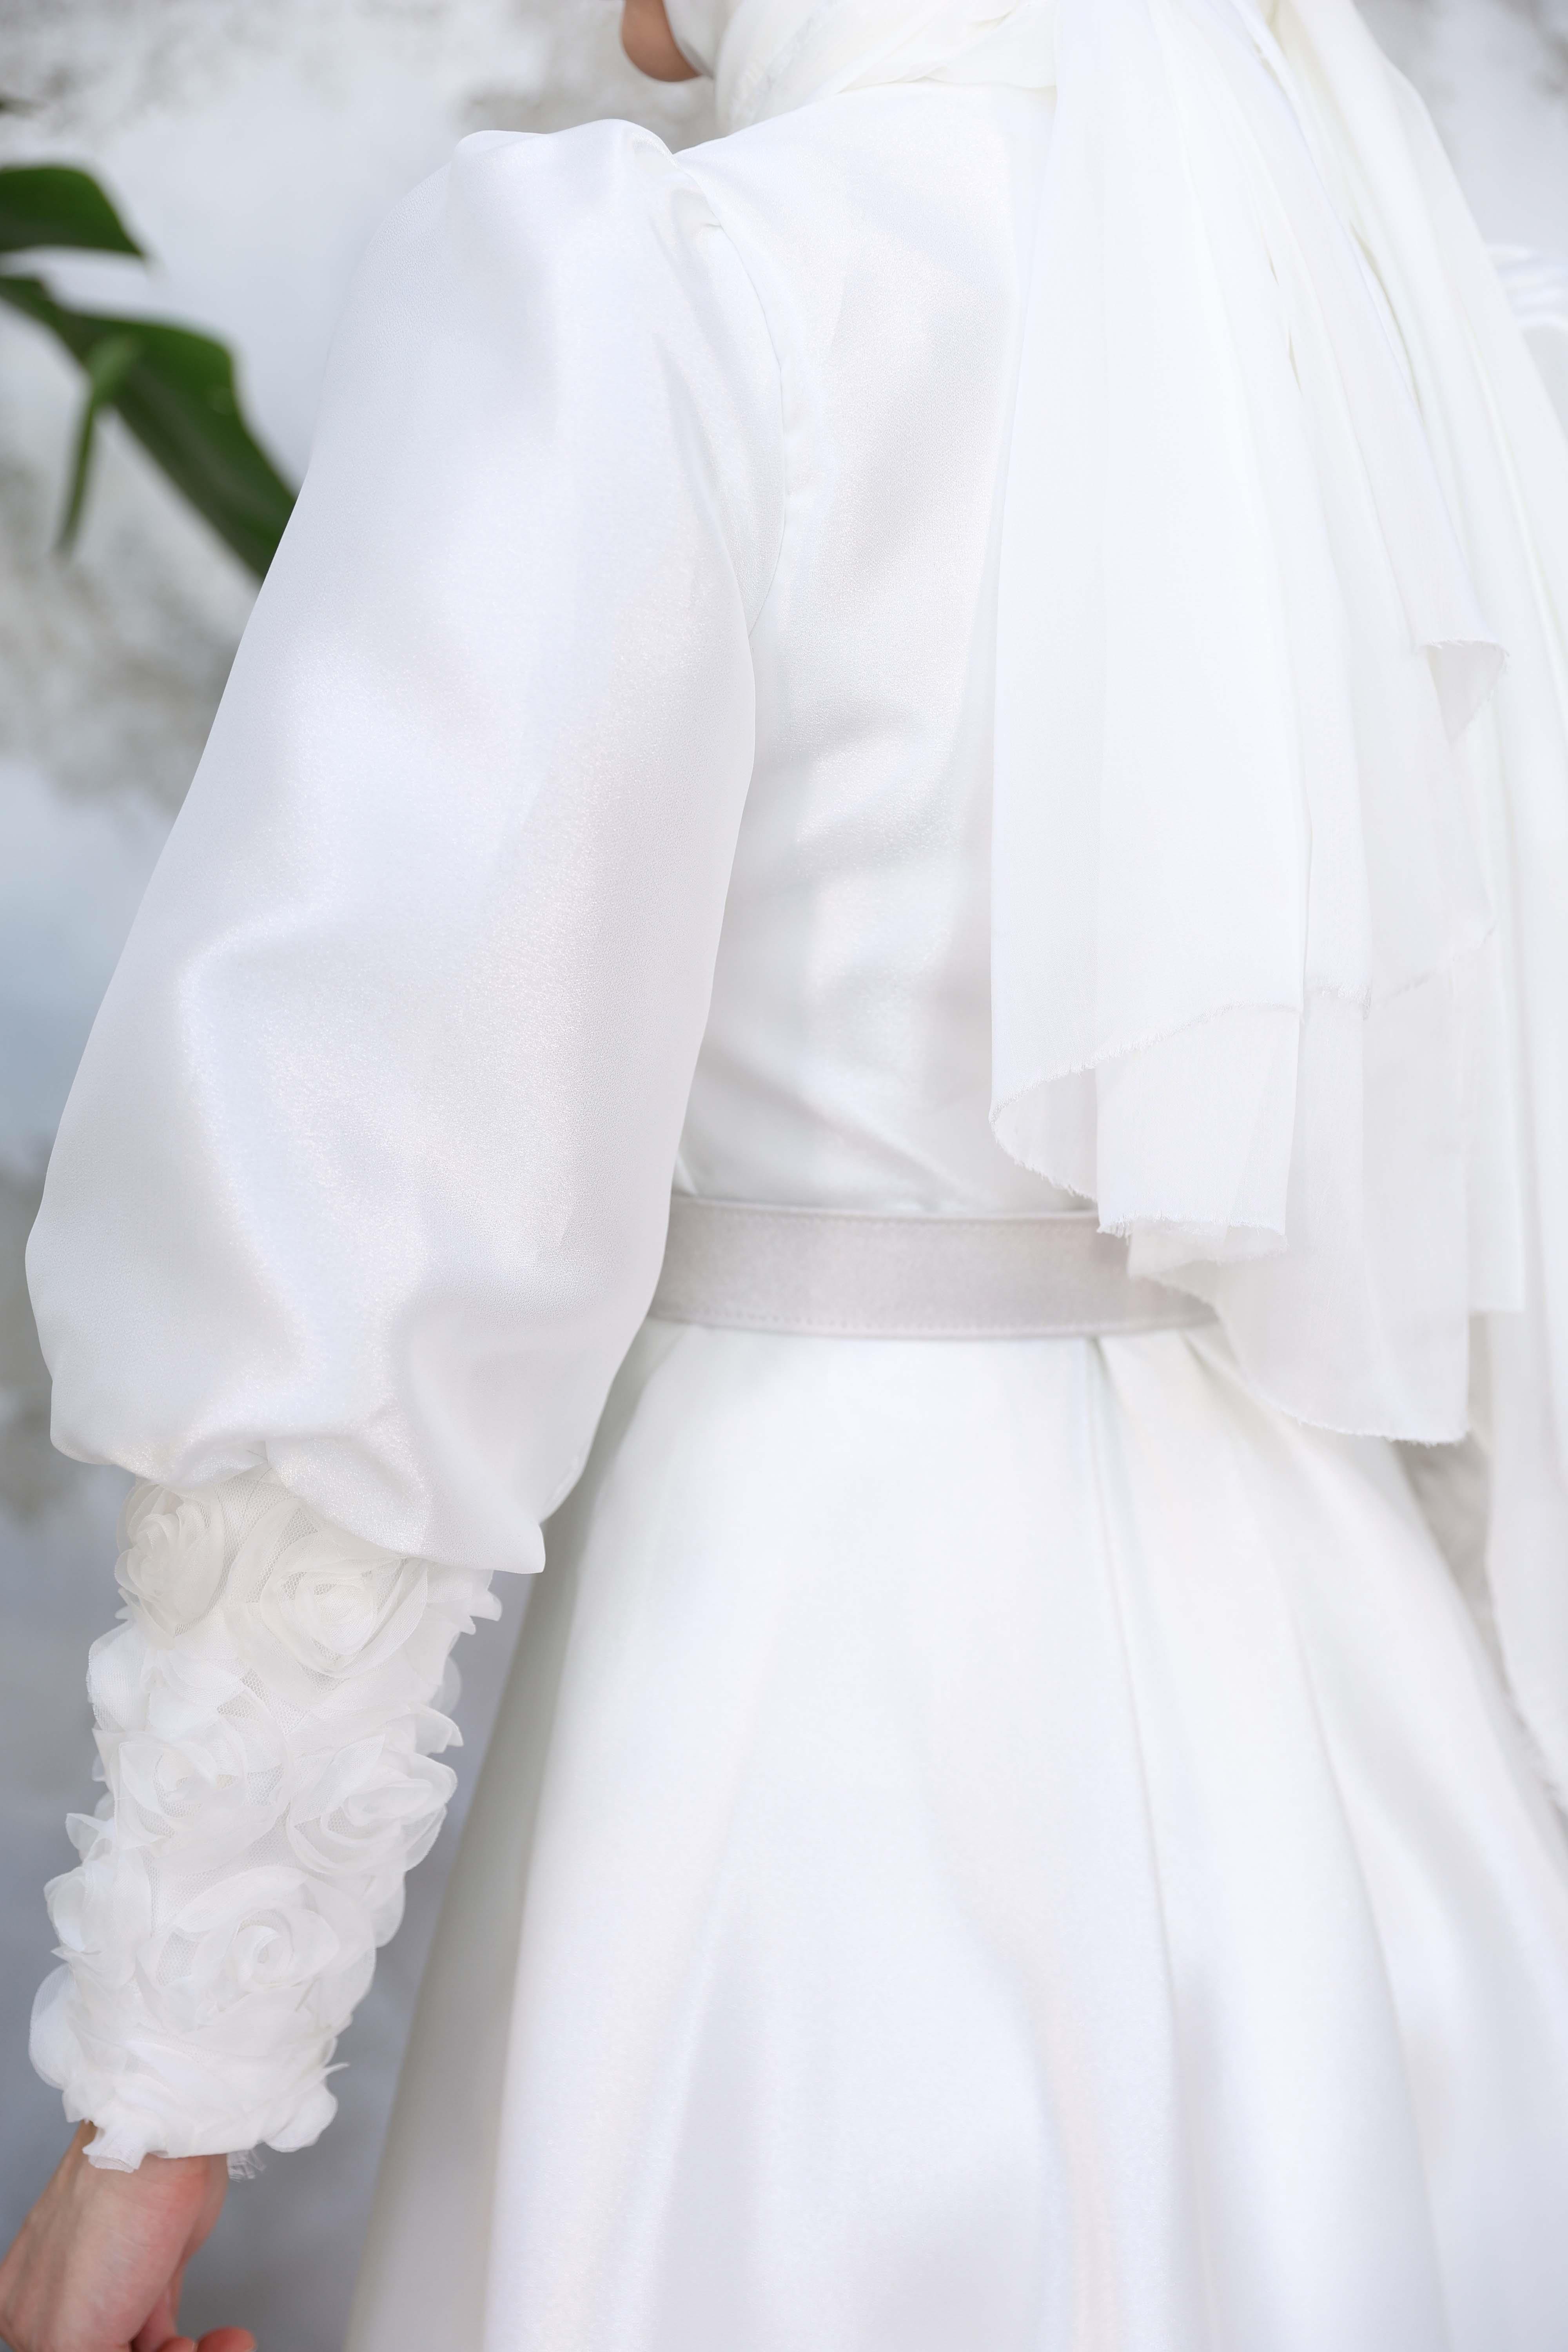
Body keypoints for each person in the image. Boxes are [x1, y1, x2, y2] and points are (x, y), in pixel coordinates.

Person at [5, 0, 1568, 2344]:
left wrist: (156, 2113)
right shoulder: (1385, 314)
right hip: (1351, 1774)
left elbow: (377, 1208)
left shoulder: (676, 297)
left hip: (804, 1744)